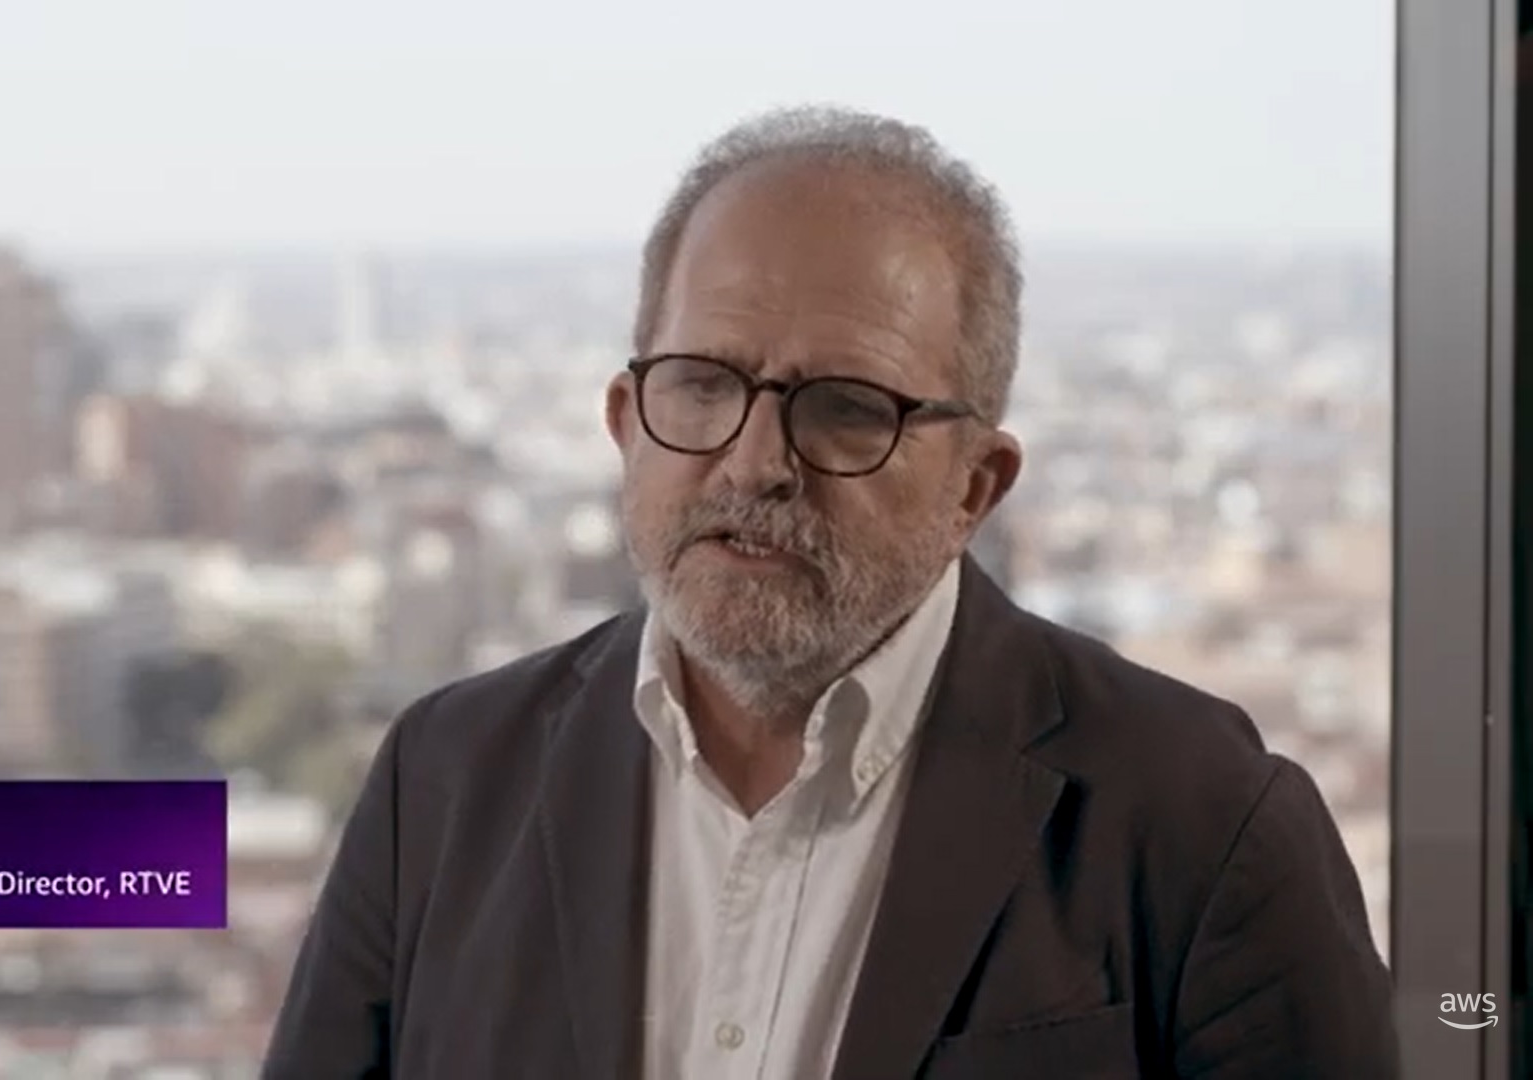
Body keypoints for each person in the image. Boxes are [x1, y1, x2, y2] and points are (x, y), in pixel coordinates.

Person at [261, 105, 1399, 1079]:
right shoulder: (446, 778)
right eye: (702, 386)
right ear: (623, 424)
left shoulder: (1202, 821)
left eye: (848, 406)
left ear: (977, 486)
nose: (755, 462)